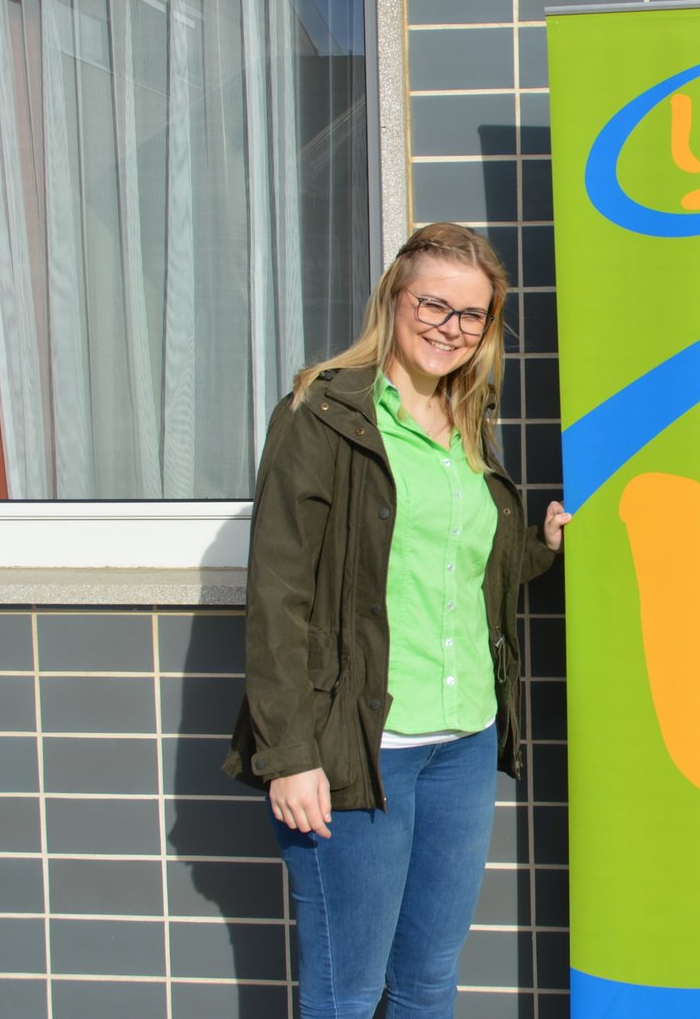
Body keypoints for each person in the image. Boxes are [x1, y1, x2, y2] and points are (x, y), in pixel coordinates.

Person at [222, 222, 570, 1018]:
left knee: (428, 981)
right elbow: (278, 595)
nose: (451, 327)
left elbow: (453, 566)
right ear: (394, 298)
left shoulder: (466, 420)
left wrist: (538, 549)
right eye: (433, 305)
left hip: (464, 740)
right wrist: (289, 755)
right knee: (346, 993)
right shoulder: (321, 414)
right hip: (359, 749)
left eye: (472, 314)